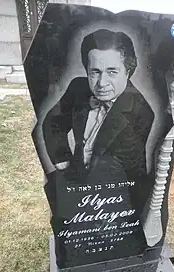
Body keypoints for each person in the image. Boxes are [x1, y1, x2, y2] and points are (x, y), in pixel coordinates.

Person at [43, 29, 154, 185]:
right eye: (95, 72)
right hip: (75, 175)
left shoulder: (141, 112)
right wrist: (62, 158)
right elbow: (53, 122)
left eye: (112, 72)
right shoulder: (78, 87)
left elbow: (123, 170)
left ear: (128, 72)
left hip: (115, 188)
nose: (102, 83)